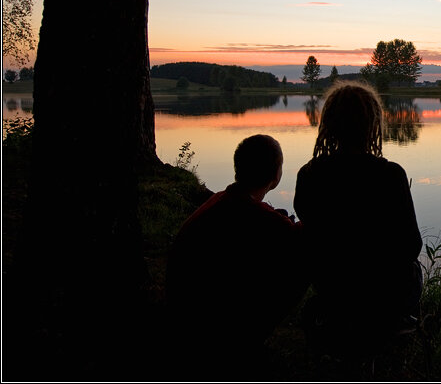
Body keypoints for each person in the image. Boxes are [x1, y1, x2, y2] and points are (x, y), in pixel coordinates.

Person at [294, 81, 422, 353]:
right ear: (372, 124)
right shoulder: (391, 175)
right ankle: (394, 320)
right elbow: (412, 245)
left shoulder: (309, 174)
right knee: (413, 270)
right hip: (382, 289)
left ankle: (338, 317)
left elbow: (310, 236)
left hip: (332, 286)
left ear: (329, 123)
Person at [166, 134, 308, 377]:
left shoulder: (220, 201)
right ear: (276, 175)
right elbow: (302, 238)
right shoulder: (256, 215)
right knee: (302, 261)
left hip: (182, 311)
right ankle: (243, 342)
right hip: (208, 324)